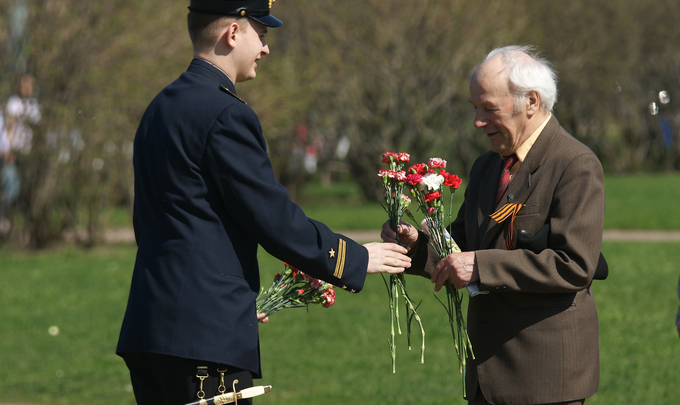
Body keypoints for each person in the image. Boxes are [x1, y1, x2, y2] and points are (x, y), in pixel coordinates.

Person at [116, 2, 412, 405]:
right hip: (204, 338)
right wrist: (354, 259)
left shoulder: (160, 107)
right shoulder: (224, 113)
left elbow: (164, 224)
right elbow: (273, 218)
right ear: (233, 34)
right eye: (262, 34)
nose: (266, 48)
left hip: (149, 327)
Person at [383, 46, 604, 405]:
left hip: (545, 379)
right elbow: (464, 243)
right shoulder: (487, 166)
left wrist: (481, 267)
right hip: (487, 378)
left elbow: (575, 265)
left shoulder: (575, 164)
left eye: (489, 109)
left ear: (530, 102)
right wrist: (414, 244)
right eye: (475, 108)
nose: (478, 122)